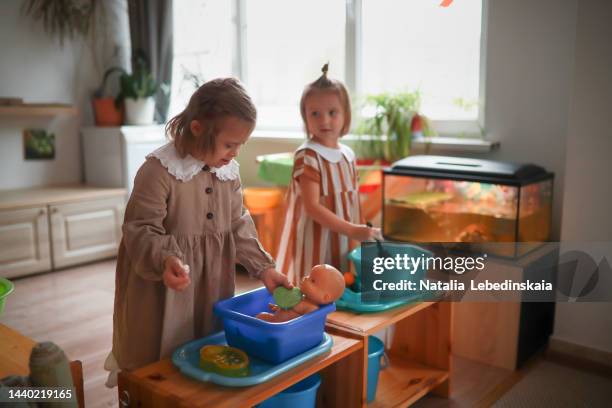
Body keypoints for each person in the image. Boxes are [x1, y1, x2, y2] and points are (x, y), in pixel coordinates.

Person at [105, 78, 291, 386]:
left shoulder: (227, 172)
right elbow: (140, 229)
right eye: (230, 144)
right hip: (164, 286)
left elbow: (237, 223)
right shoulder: (158, 171)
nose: (235, 153)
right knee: (159, 357)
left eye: (240, 145)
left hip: (211, 283)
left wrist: (264, 268)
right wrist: (166, 259)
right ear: (197, 129)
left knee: (204, 348)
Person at [276, 64, 382, 285]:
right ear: (305, 117)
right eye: (315, 113)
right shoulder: (308, 156)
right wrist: (353, 229)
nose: (324, 120)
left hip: (344, 241)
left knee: (340, 287)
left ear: (345, 115)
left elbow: (354, 204)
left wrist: (362, 231)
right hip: (314, 245)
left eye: (332, 113)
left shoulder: (348, 155)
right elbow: (312, 207)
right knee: (313, 291)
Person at [256, 264, 345, 323]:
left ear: (325, 297)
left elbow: (302, 322)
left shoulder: (312, 308)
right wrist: (280, 307)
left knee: (261, 317)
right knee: (261, 316)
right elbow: (291, 309)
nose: (306, 278)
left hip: (284, 329)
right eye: (309, 275)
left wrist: (287, 304)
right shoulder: (301, 297)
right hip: (276, 320)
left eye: (312, 281)